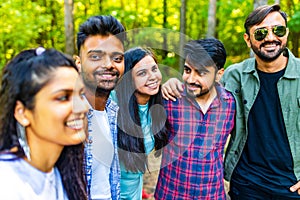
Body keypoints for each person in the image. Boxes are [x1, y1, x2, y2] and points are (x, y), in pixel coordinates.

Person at [162, 4, 300, 199]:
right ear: (248, 39)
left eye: (278, 30)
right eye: (260, 33)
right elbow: (201, 87)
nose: (270, 38)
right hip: (245, 184)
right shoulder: (235, 75)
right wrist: (173, 84)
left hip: (290, 185)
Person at [0, 47, 88, 200]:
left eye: (81, 94)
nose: (83, 107)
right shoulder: (7, 182)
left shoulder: (61, 172)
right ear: (22, 113)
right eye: (62, 97)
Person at [155, 38, 236, 199]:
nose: (191, 79)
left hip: (211, 194)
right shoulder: (170, 98)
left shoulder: (231, 104)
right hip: (171, 194)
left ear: (219, 74)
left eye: (201, 73)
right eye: (187, 70)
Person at [75, 15, 127, 199]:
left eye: (117, 58)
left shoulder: (111, 111)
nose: (108, 65)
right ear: (78, 62)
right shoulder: (67, 116)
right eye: (96, 56)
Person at [114, 47, 168, 199]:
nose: (152, 77)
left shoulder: (158, 107)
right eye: (142, 73)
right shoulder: (112, 104)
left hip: (134, 194)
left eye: (154, 69)